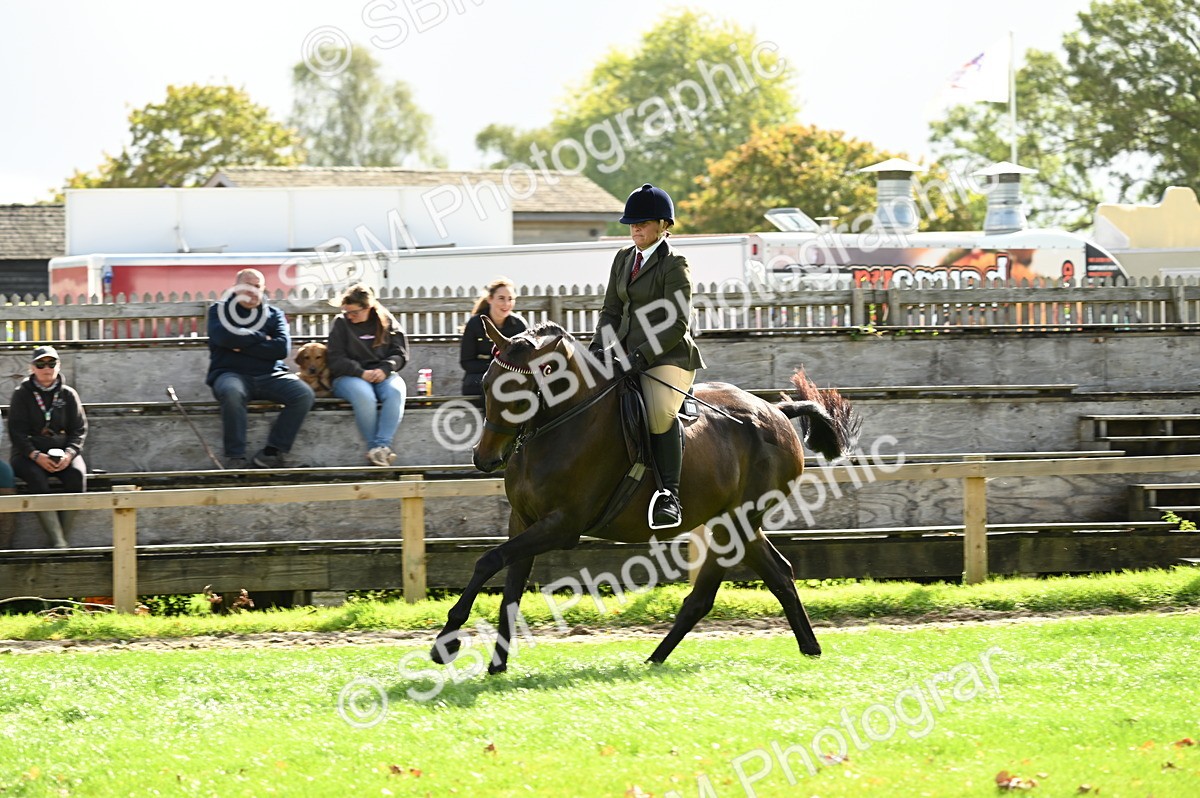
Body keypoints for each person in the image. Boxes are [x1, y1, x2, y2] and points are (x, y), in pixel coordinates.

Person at [588, 183, 705, 530]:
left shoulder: (675, 264)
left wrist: (641, 355)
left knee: (658, 414)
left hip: (668, 358)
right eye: (632, 223)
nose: (635, 228)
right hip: (625, 354)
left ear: (663, 225)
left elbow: (677, 322)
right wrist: (598, 346)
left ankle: (669, 495)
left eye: (643, 223)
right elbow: (611, 310)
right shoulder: (623, 258)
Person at [207, 268, 314, 469]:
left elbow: (281, 348)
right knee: (232, 392)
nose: (253, 292)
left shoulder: (274, 314)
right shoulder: (218, 311)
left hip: (271, 375)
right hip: (230, 374)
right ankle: (235, 458)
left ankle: (271, 453)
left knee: (303, 394)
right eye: (247, 287)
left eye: (257, 287)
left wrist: (241, 343)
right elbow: (223, 337)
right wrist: (260, 337)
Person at [6, 346, 88, 548]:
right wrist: (35, 455)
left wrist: (69, 454)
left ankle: (62, 538)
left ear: (58, 366)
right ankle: (57, 540)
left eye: (52, 363)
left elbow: (79, 429)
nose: (46, 368)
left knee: (77, 476)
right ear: (32, 368)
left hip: (63, 451)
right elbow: (16, 432)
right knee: (36, 477)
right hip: (27, 454)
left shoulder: (68, 394)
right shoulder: (21, 394)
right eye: (41, 364)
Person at [327, 283, 410, 466]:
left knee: (396, 392)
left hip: (382, 374)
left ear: (368, 308)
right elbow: (335, 359)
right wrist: (360, 372)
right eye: (347, 312)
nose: (350, 316)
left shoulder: (386, 320)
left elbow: (400, 353)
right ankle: (376, 450)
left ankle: (381, 447)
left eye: (354, 313)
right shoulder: (341, 323)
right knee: (365, 396)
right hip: (349, 376)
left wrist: (385, 369)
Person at [460, 277, 527, 396]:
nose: (506, 304)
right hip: (479, 379)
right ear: (490, 299)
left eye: (510, 299)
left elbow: (527, 357)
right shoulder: (475, 324)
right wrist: (496, 368)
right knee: (494, 385)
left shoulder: (519, 325)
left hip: (511, 377)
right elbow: (466, 362)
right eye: (501, 298)